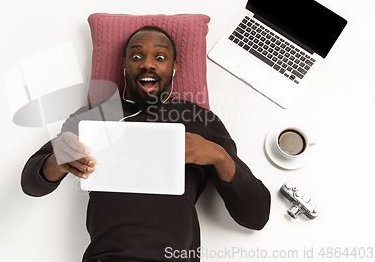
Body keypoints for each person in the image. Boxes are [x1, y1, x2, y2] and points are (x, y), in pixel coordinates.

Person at [21, 25, 271, 262]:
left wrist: (218, 155)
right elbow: (31, 185)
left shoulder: (201, 120)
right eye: (137, 56)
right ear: (124, 64)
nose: (148, 64)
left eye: (160, 58)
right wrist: (58, 159)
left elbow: (256, 215)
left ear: (174, 66)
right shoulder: (92, 117)